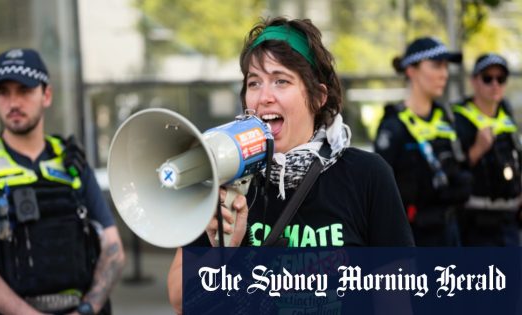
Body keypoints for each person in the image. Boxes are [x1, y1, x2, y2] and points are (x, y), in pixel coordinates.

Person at [168, 17, 414, 314]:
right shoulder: (223, 177)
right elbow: (181, 303)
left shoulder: (368, 176)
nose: (264, 97)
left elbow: (395, 300)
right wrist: (223, 254)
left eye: (281, 81)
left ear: (318, 96)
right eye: (254, 82)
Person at [0, 48, 125, 315]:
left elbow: (114, 250)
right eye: (3, 92)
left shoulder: (72, 161)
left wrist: (87, 309)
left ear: (46, 95)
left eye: (24, 90)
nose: (13, 102)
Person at [374, 37, 472, 246]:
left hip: (452, 234)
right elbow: (378, 192)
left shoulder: (449, 120)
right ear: (411, 70)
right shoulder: (393, 126)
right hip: (412, 238)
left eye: (446, 66)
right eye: (436, 65)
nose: (444, 74)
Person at [453, 53, 522, 246]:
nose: (495, 85)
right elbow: (453, 172)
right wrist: (477, 149)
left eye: (501, 79)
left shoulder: (506, 117)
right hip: (475, 224)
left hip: (509, 222)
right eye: (487, 78)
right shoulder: (458, 118)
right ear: (474, 81)